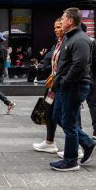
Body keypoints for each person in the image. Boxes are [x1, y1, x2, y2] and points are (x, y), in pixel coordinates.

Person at [50, 7, 96, 172]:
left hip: (73, 87)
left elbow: (80, 64)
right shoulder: (68, 38)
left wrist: (65, 81)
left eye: (63, 19)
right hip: (64, 87)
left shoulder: (80, 39)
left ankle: (70, 161)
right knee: (58, 116)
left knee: (70, 124)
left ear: (70, 21)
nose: (61, 21)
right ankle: (88, 143)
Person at [32, 18, 63, 154]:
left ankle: (83, 144)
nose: (55, 30)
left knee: (68, 115)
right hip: (53, 83)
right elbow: (51, 56)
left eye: (59, 27)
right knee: (49, 110)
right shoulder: (59, 42)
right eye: (55, 27)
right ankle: (49, 141)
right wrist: (44, 66)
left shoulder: (71, 41)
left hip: (65, 84)